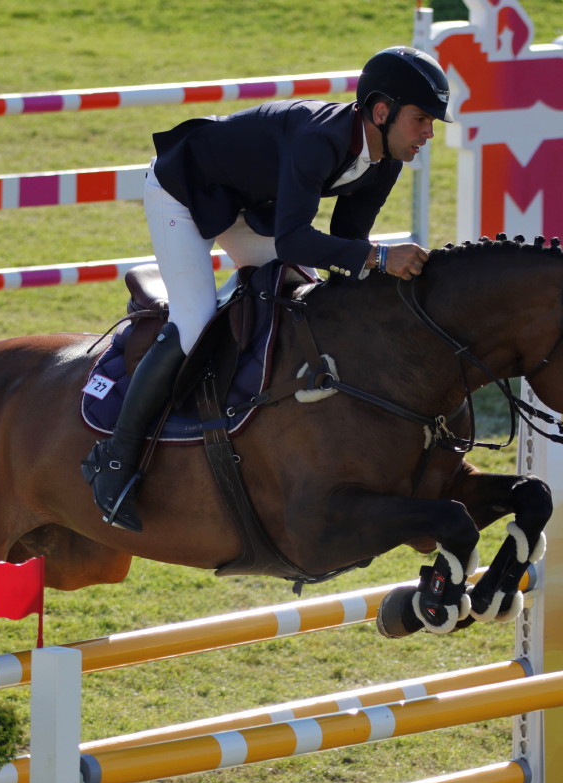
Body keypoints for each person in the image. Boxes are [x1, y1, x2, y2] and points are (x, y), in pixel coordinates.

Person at [83, 45, 452, 532]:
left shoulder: (385, 161)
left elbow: (346, 245)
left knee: (301, 288)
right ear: (381, 111)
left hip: (245, 204)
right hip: (185, 190)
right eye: (421, 119)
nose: (428, 133)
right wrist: (382, 258)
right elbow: (299, 237)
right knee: (194, 318)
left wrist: (387, 280)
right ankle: (114, 459)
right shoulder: (319, 140)